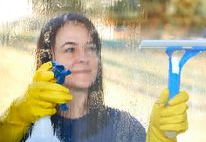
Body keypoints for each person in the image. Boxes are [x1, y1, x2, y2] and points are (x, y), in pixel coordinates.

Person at [0, 13, 189, 142]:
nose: (83, 57)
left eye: (90, 48)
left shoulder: (125, 128)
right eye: (70, 49)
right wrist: (14, 118)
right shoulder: (24, 129)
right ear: (49, 58)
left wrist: (159, 137)